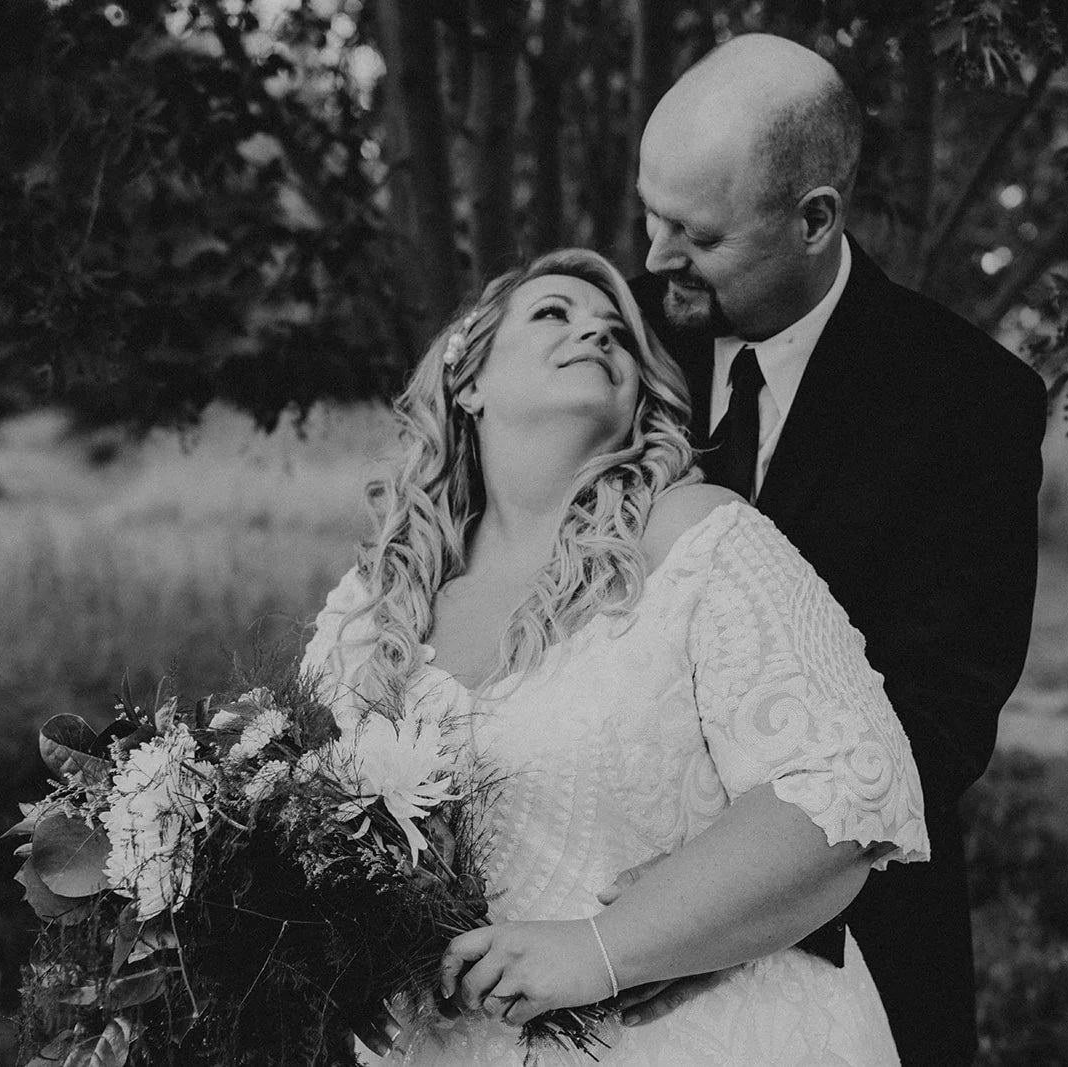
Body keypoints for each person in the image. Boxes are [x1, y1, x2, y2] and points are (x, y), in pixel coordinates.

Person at [300, 247, 929, 1065]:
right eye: (553, 313)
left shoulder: (696, 538)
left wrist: (605, 945)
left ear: (640, 397)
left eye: (618, 335)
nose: (596, 332)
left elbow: (848, 788)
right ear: (468, 381)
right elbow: (295, 825)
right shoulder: (374, 602)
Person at [618, 33, 1048, 1067]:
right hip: (592, 903)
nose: (657, 257)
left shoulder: (968, 401)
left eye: (698, 234)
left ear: (815, 219)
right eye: (651, 215)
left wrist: (707, 905)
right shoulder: (610, 345)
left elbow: (937, 717)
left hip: (846, 938)